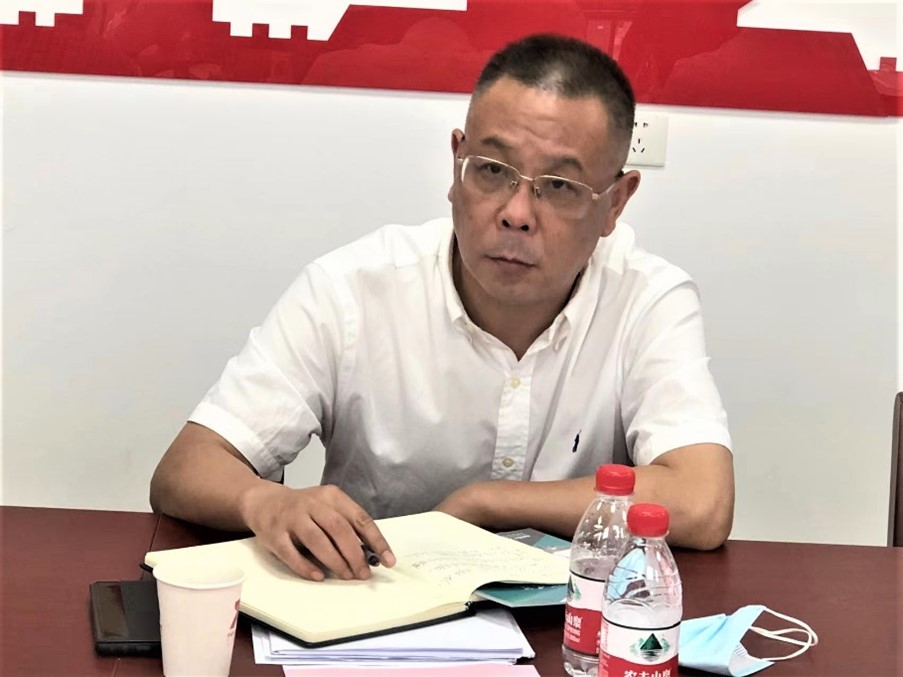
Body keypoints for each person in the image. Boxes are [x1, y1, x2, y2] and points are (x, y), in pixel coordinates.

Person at [150, 33, 734, 583]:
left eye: (559, 186)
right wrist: (264, 500)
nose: (517, 214)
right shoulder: (352, 289)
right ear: (457, 166)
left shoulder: (647, 299)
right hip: (376, 609)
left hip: (570, 626)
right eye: (493, 171)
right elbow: (185, 469)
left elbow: (703, 503)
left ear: (616, 204)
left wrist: (487, 503)